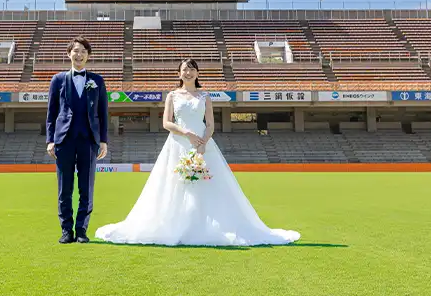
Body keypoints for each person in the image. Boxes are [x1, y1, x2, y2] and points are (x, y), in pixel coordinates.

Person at [95, 58, 300, 247]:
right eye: (184, 69)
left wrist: (203, 143)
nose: (188, 72)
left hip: (203, 144)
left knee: (209, 186)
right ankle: (174, 225)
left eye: (192, 69)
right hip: (177, 143)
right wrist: (185, 132)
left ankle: (207, 227)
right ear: (179, 74)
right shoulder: (172, 95)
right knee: (173, 185)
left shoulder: (205, 96)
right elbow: (167, 122)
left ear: (197, 73)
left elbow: (210, 124)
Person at [46, 35, 109, 244]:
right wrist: (50, 139)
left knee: (86, 187)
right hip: (63, 140)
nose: (79, 54)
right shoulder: (57, 80)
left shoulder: (97, 81)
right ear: (69, 54)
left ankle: (81, 230)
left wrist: (103, 140)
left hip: (88, 140)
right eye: (75, 50)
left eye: (83, 51)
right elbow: (51, 112)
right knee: (64, 188)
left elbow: (103, 113)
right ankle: (66, 230)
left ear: (88, 55)